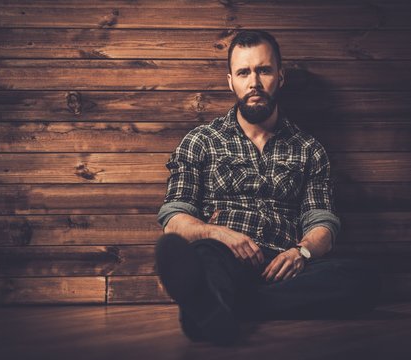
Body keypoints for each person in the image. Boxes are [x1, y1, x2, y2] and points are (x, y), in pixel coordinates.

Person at [155, 30, 380, 346]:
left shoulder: (308, 149)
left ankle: (217, 307)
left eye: (264, 70)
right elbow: (174, 221)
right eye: (244, 72)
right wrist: (217, 233)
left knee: (364, 280)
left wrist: (300, 252)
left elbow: (323, 225)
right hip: (223, 255)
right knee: (204, 257)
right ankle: (215, 298)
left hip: (284, 269)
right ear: (230, 81)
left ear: (280, 76)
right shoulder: (200, 142)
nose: (254, 82)